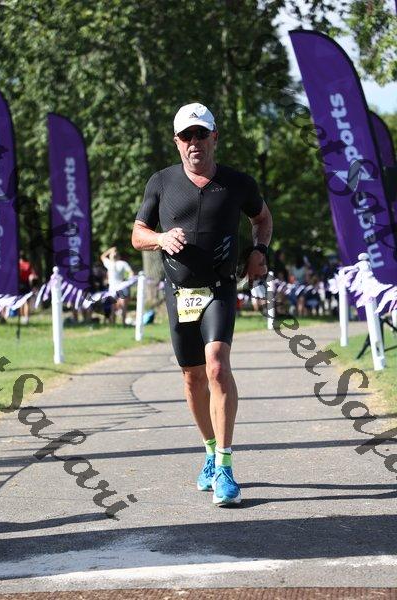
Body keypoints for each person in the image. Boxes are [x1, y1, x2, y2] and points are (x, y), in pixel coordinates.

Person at [132, 102, 272, 506]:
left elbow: (262, 218)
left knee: (216, 365)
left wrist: (259, 251)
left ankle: (225, 466)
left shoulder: (237, 183)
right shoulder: (161, 182)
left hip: (219, 288)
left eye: (201, 134)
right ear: (177, 142)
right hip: (179, 293)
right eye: (186, 136)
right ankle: (210, 451)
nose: (194, 142)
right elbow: (138, 234)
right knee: (193, 377)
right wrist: (160, 239)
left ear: (215, 137)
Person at [100, 247, 134, 324]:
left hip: (120, 287)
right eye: (112, 254)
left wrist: (128, 281)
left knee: (122, 306)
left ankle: (122, 323)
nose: (113, 255)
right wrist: (110, 250)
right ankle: (115, 323)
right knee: (114, 306)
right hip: (114, 288)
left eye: (114, 254)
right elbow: (102, 257)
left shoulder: (121, 263)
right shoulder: (109, 263)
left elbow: (131, 273)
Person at [19, 251, 38, 324]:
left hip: (19, 284)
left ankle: (22, 318)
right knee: (27, 302)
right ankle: (26, 318)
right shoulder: (28, 264)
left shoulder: (18, 265)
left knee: (20, 302)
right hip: (27, 284)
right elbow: (33, 276)